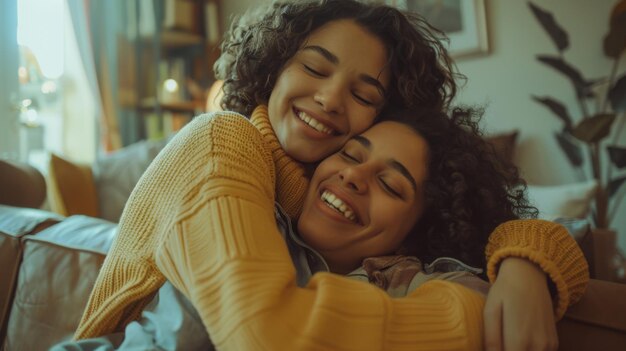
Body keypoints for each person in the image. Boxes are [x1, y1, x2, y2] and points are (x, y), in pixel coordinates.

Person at [73, 1, 588, 350]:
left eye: (364, 95)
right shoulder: (221, 141)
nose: (329, 98)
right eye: (315, 69)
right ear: (274, 68)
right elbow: (267, 333)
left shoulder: (314, 215)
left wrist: (528, 260)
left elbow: (484, 234)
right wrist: (475, 317)